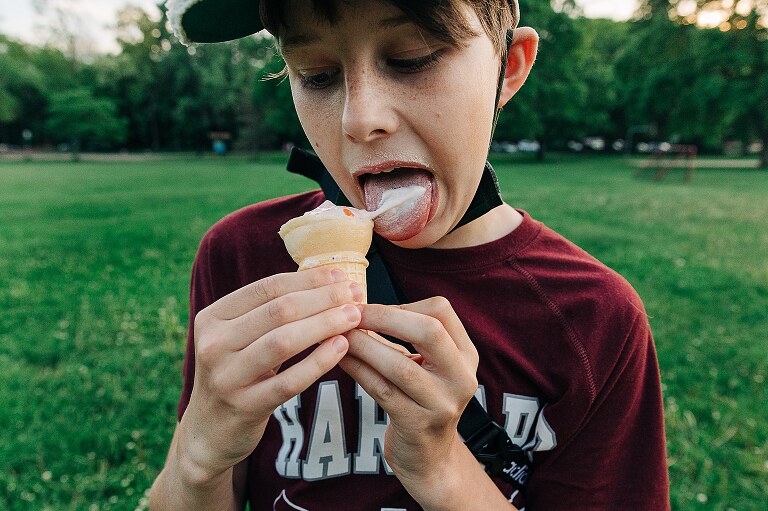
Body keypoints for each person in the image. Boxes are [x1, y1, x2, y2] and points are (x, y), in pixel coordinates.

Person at [151, 1, 670, 509]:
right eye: (316, 74)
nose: (361, 119)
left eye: (412, 58)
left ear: (507, 69)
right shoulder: (242, 258)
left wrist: (443, 472)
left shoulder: (594, 318)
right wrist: (198, 458)